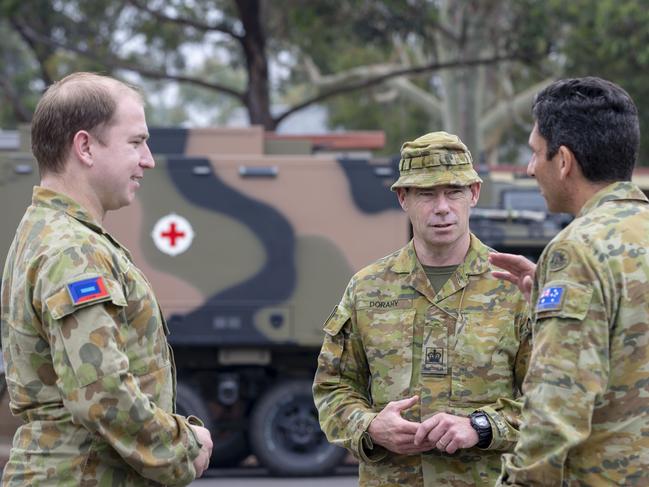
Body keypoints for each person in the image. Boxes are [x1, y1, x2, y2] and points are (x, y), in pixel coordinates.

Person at [0, 72, 213, 485]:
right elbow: (101, 393)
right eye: (136, 142)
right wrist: (185, 446)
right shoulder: (72, 250)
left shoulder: (46, 230)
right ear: (85, 147)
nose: (148, 159)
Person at [312, 131, 531, 486]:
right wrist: (369, 427)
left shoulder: (514, 287)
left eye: (454, 192)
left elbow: (551, 398)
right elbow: (333, 387)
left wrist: (481, 427)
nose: (442, 207)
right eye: (426, 194)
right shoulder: (368, 287)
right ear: (403, 198)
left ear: (473, 194)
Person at [491, 76, 649, 485]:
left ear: (563, 161)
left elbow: (555, 407)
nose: (529, 168)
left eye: (534, 153)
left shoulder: (576, 251)